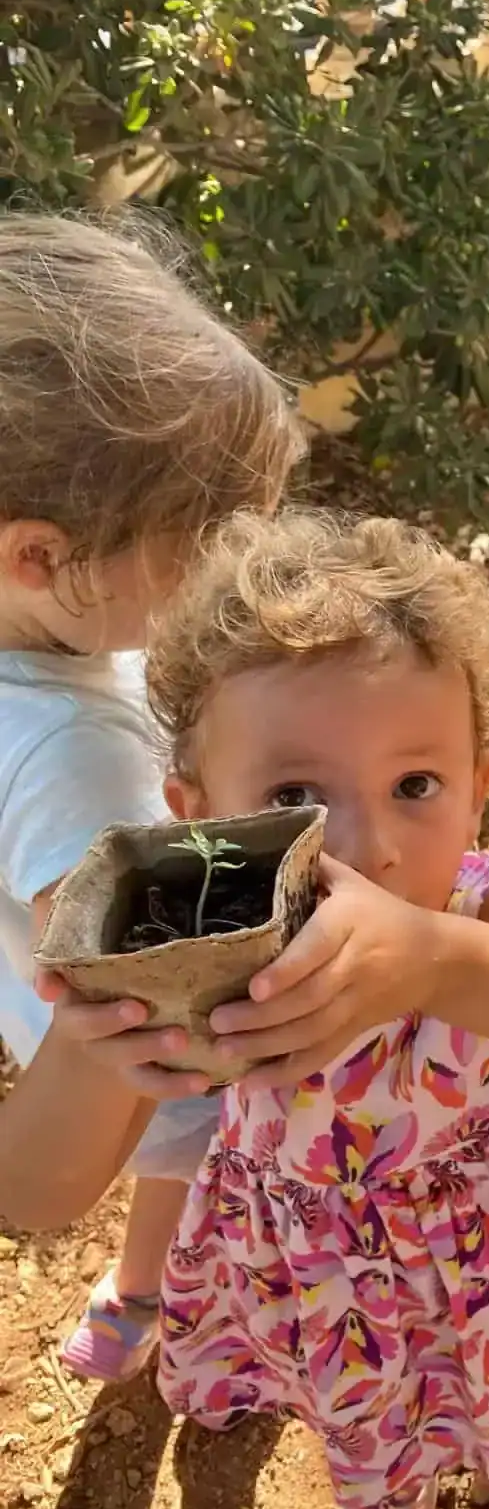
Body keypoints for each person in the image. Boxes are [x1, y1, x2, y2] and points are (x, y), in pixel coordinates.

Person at [11, 508, 489, 1509]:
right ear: (196, 815)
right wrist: (102, 1032)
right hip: (327, 1276)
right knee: (372, 1418)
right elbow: (38, 1187)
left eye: (416, 786)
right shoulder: (208, 957)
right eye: (293, 797)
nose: (367, 845)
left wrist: (438, 960)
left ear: (480, 785)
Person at [0, 213, 302, 1382]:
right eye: (198, 546)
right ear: (42, 556)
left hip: (53, 1037)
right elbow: (160, 975)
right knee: (190, 1159)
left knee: (166, 1173)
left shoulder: (48, 628)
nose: (224, 567)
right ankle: (191, 1291)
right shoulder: (76, 760)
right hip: (163, 1065)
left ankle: (141, 1290)